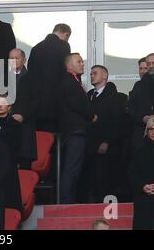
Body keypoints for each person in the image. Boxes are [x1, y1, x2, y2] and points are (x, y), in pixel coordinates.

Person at [80, 65, 122, 203]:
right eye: (91, 73)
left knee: (105, 179)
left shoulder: (113, 96)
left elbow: (116, 121)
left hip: (106, 146)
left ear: (104, 76)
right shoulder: (89, 95)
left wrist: (107, 141)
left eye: (95, 73)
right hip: (89, 144)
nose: (92, 75)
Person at [59, 53, 96, 204]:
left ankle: (69, 201)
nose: (83, 64)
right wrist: (91, 116)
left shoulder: (74, 81)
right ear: (69, 65)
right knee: (72, 169)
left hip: (76, 132)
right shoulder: (69, 82)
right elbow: (79, 105)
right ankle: (66, 203)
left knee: (74, 169)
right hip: (75, 132)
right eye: (79, 61)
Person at [27, 23, 71, 132]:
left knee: (41, 140)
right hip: (56, 103)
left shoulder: (36, 48)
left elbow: (30, 73)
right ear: (66, 35)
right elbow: (66, 71)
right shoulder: (63, 46)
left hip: (37, 104)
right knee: (56, 141)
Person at [0, 95, 23, 212]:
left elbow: (18, 146)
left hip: (10, 163)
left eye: (3, 103)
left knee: (11, 195)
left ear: (9, 107)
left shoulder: (16, 125)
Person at [9, 48, 38, 169]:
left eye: (17, 58)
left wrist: (23, 115)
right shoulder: (2, 77)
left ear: (24, 60)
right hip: (7, 128)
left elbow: (37, 102)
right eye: (11, 58)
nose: (14, 61)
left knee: (25, 168)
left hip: (25, 127)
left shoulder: (33, 77)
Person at [130, 115, 154, 230]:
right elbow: (132, 174)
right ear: (147, 131)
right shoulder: (139, 150)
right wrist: (143, 187)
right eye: (151, 129)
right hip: (143, 198)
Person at [129, 53, 154, 150]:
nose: (151, 66)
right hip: (141, 134)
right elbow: (131, 108)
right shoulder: (139, 85)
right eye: (148, 63)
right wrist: (142, 118)